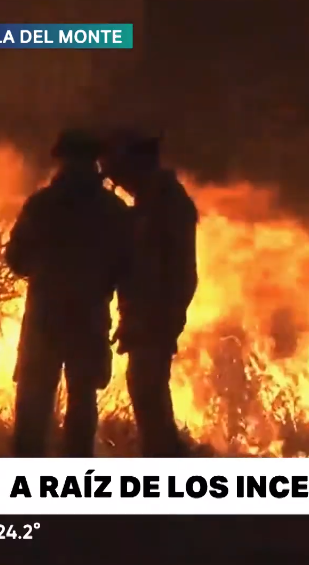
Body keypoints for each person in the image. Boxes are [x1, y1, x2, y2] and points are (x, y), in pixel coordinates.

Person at [6, 129, 131, 457]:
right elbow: (127, 267)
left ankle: (24, 474)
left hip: (44, 317)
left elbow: (16, 260)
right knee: (82, 399)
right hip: (89, 317)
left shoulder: (42, 205)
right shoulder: (113, 210)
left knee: (34, 399)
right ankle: (74, 480)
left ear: (61, 161)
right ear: (95, 164)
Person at [102, 130, 199, 457]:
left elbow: (167, 271)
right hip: (148, 316)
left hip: (153, 317)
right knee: (147, 391)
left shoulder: (163, 207)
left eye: (122, 176)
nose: (121, 185)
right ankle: (166, 457)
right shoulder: (155, 204)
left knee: (147, 392)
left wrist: (158, 317)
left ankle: (166, 464)